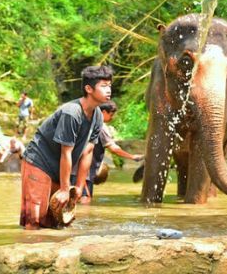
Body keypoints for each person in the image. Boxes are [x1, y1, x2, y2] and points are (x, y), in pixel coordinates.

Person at [19, 65, 112, 230]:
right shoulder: (72, 113)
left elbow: (88, 152)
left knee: (54, 220)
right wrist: (64, 188)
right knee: (35, 219)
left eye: (109, 85)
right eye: (103, 86)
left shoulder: (97, 115)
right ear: (89, 88)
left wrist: (79, 188)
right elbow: (66, 152)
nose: (109, 90)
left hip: (57, 167)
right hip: (39, 162)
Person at [71, 100, 144, 203]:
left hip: (70, 171)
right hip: (84, 173)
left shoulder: (83, 121)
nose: (112, 118)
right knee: (84, 200)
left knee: (71, 202)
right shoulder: (100, 126)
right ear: (103, 112)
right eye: (111, 114)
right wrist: (132, 157)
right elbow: (114, 148)